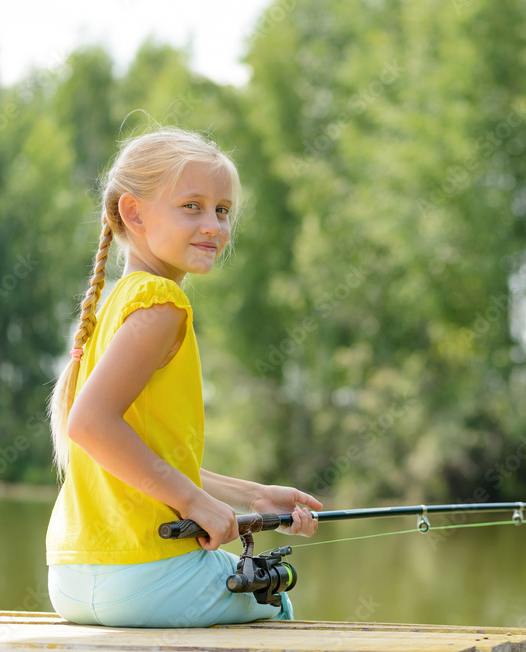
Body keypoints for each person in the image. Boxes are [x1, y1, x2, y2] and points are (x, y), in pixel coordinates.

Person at [45, 126, 322, 628]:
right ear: (134, 213)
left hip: (70, 579)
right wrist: (195, 502)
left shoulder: (115, 307)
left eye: (222, 210)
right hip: (143, 576)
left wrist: (250, 496)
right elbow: (88, 424)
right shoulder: (163, 302)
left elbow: (144, 455)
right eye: (192, 206)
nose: (214, 225)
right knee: (275, 601)